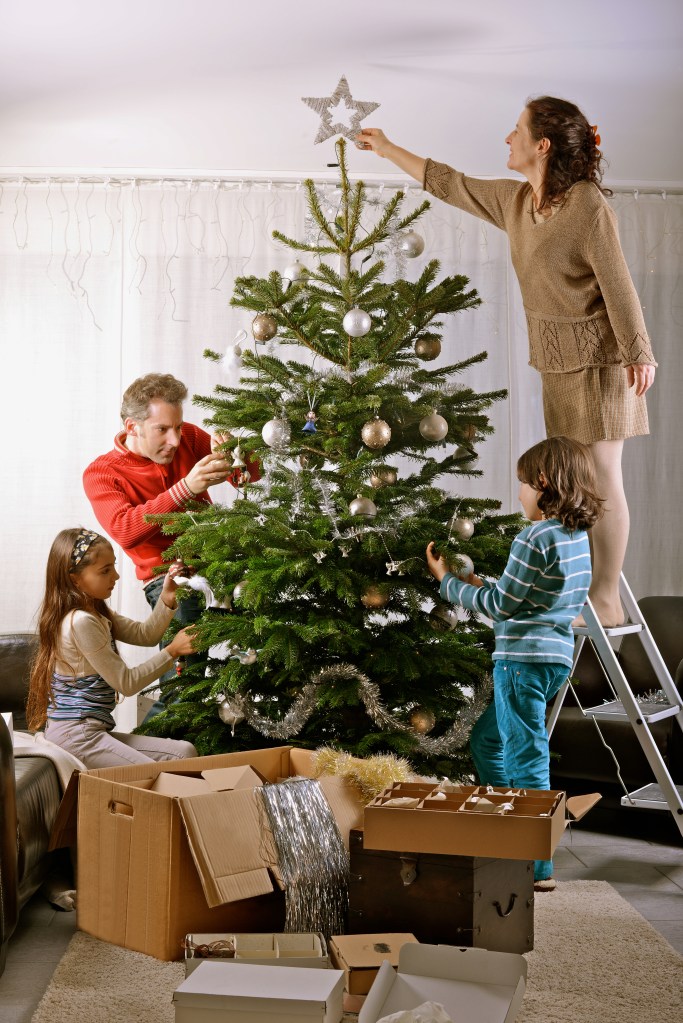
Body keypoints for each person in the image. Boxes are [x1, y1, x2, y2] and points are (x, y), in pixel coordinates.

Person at [357, 97, 656, 627]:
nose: (507, 138)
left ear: (541, 144)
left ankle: (606, 599)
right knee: (576, 480)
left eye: (516, 130)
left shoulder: (587, 206)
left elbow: (619, 284)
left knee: (603, 475)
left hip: (603, 360)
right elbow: (450, 183)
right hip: (556, 363)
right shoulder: (518, 203)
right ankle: (583, 591)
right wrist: (384, 149)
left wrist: (639, 350)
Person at [426, 436, 603, 890]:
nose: (520, 494)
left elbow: (502, 607)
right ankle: (509, 825)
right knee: (487, 742)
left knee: (526, 756)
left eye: (523, 485)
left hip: (521, 663)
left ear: (543, 483)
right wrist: (483, 583)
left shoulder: (533, 535)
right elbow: (535, 597)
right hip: (553, 660)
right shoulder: (575, 536)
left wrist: (448, 583)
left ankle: (536, 864)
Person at [83, 372, 257, 719]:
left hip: (223, 567)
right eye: (163, 429)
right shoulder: (102, 473)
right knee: (182, 688)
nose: (176, 439)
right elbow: (125, 530)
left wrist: (238, 452)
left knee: (243, 677)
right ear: (132, 427)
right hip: (172, 583)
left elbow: (247, 475)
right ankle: (148, 760)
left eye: (177, 426)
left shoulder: (189, 436)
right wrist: (186, 488)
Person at [26, 527, 199, 768]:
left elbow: (146, 634)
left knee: (185, 752)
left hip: (91, 731)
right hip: (77, 736)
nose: (116, 576)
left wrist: (168, 594)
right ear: (74, 578)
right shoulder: (80, 622)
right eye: (105, 570)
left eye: (114, 566)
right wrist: (172, 651)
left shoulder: (95, 612)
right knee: (153, 773)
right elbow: (126, 683)